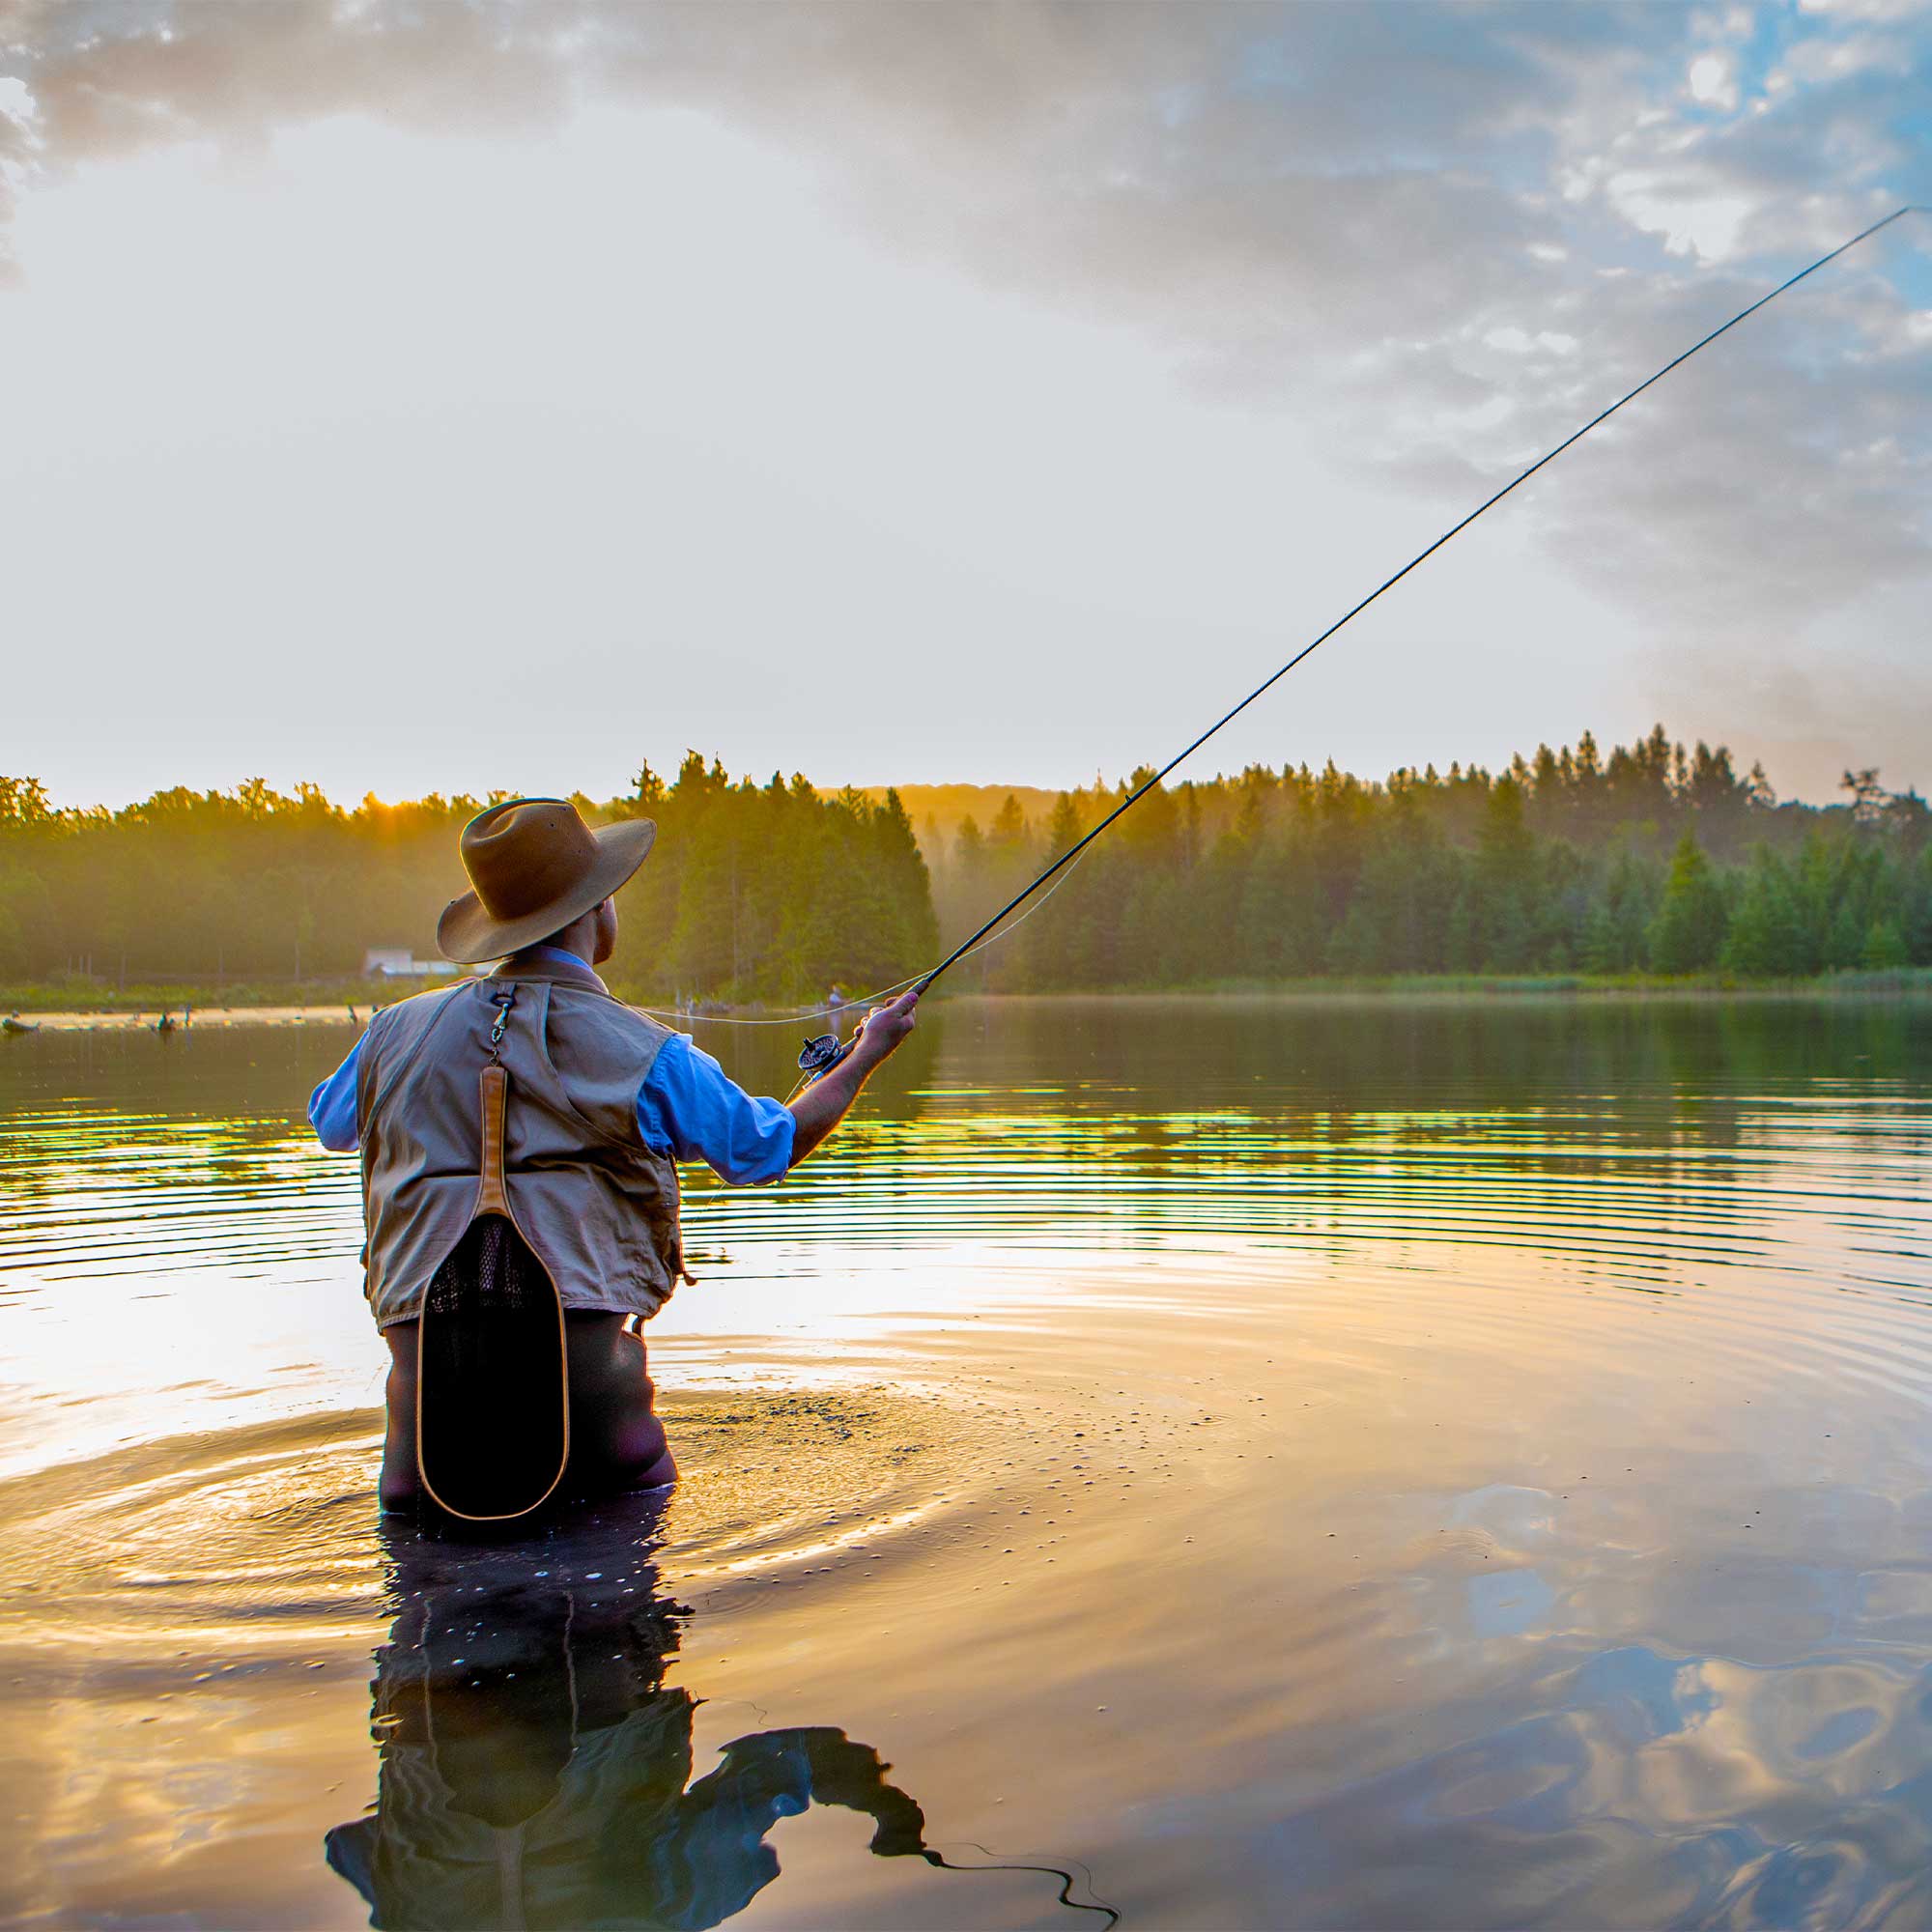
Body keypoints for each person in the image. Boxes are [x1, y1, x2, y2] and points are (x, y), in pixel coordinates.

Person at [307, 796, 918, 1513]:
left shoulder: (390, 1036)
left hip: (419, 1467)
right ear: (595, 909)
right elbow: (766, 1147)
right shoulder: (645, 1052)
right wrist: (866, 1054)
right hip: (605, 1451)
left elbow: (333, 1123)